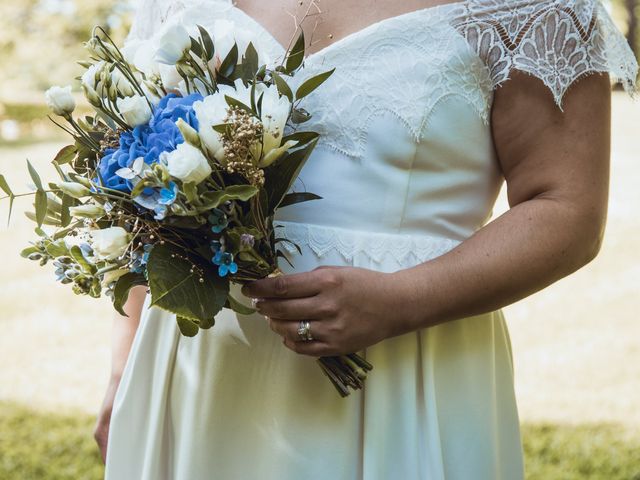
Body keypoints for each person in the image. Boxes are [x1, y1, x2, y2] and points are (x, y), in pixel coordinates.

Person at [98, 0, 639, 478]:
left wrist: (401, 300)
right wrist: (123, 370)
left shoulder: (535, 10)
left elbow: (567, 209)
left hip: (402, 369)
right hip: (200, 373)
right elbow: (153, 199)